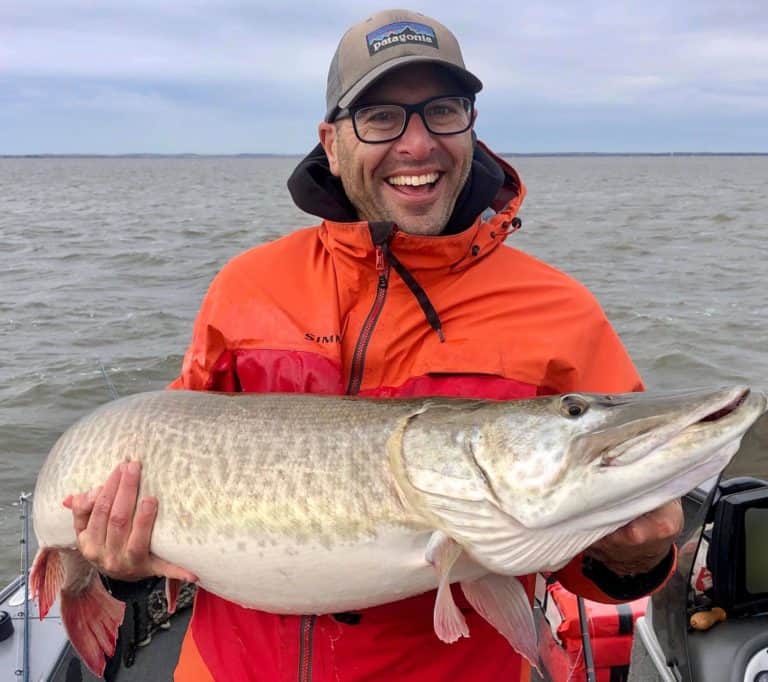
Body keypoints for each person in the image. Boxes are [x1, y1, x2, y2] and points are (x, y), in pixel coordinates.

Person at [67, 9, 683, 681]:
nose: (417, 144)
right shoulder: (245, 286)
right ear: (331, 143)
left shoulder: (560, 311)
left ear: (471, 126)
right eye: (382, 116)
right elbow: (168, 484)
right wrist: (114, 567)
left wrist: (635, 555)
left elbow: (594, 561)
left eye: (443, 111)